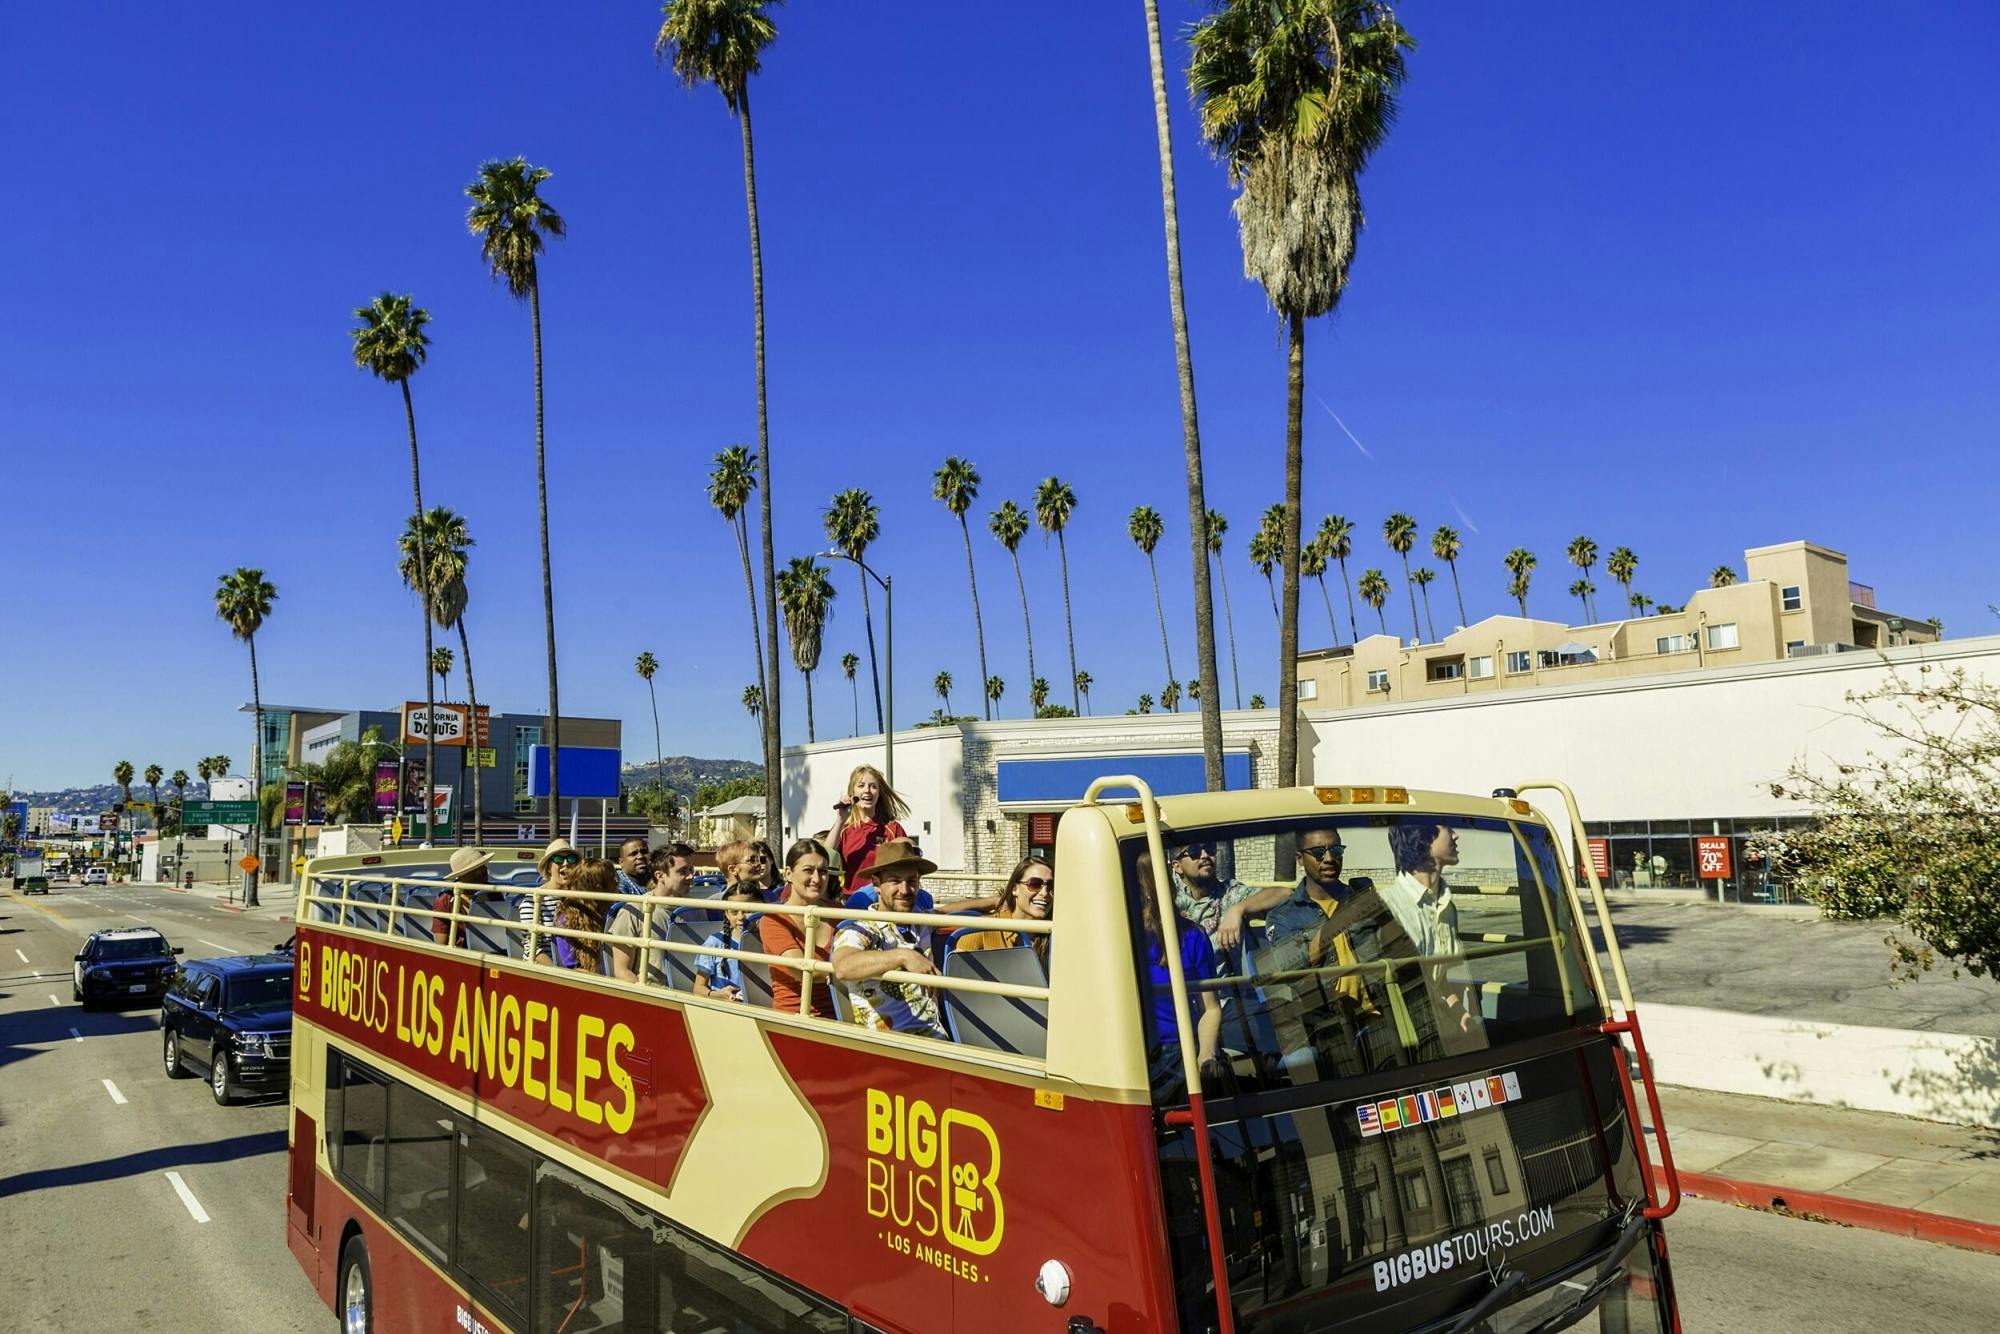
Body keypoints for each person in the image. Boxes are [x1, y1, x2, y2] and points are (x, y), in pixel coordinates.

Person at [831, 838, 947, 1039]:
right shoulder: (861, 929)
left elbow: (946, 913)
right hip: (889, 1047)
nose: (904, 890)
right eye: (894, 881)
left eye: (911, 881)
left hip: (937, 1038)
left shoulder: (920, 920)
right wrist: (903, 956)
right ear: (876, 884)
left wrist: (995, 903)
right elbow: (843, 966)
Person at [1134, 854, 1223, 1090]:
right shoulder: (1114, 940)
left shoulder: (1192, 936)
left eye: (1144, 901)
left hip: (1178, 1050)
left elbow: (1210, 1008)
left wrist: (1205, 1055)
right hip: (1128, 1055)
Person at [1171, 840, 1286, 969]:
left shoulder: (1229, 893)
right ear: (1177, 866)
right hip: (1181, 987)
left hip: (1226, 986)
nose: (1205, 855)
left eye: (1210, 848)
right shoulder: (1166, 901)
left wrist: (1238, 910)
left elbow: (1284, 894)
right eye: (1194, 851)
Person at [759, 839, 840, 1018]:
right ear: (788, 874)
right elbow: (801, 969)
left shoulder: (840, 912)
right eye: (808, 870)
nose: (817, 879)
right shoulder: (774, 919)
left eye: (823, 871)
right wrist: (854, 968)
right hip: (796, 1018)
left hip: (845, 1014)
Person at [609, 842, 694, 983]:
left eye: (691, 870)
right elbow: (621, 971)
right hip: (655, 996)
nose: (690, 876)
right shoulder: (633, 911)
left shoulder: (696, 908)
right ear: (660, 876)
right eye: (682, 871)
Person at [952, 856, 1053, 965]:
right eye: (1035, 884)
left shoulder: (1058, 934)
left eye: (1051, 886)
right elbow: (958, 972)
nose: (1044, 893)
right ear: (1015, 889)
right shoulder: (980, 930)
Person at [831, 764, 910, 891]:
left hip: (883, 900)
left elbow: (908, 866)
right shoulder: (844, 829)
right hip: (852, 901)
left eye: (873, 786)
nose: (867, 790)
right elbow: (824, 857)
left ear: (879, 794)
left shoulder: (893, 828)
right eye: (861, 785)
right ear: (853, 792)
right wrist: (840, 819)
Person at [696, 883, 765, 1001]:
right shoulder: (715, 942)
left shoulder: (769, 941)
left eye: (748, 910)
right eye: (734, 912)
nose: (741, 917)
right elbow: (698, 988)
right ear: (726, 914)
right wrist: (718, 994)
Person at [549, 858, 617, 973]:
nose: (616, 882)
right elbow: (571, 967)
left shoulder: (614, 911)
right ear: (598, 886)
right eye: (611, 879)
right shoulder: (566, 919)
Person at [520, 838, 579, 964]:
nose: (565, 863)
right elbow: (533, 949)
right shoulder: (533, 900)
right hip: (544, 970)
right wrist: (558, 973)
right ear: (548, 868)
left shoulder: (578, 898)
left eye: (571, 859)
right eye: (558, 859)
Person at [431, 846, 492, 948]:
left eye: (484, 866)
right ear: (464, 875)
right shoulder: (445, 901)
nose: (485, 870)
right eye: (479, 868)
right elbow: (440, 945)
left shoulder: (493, 893)